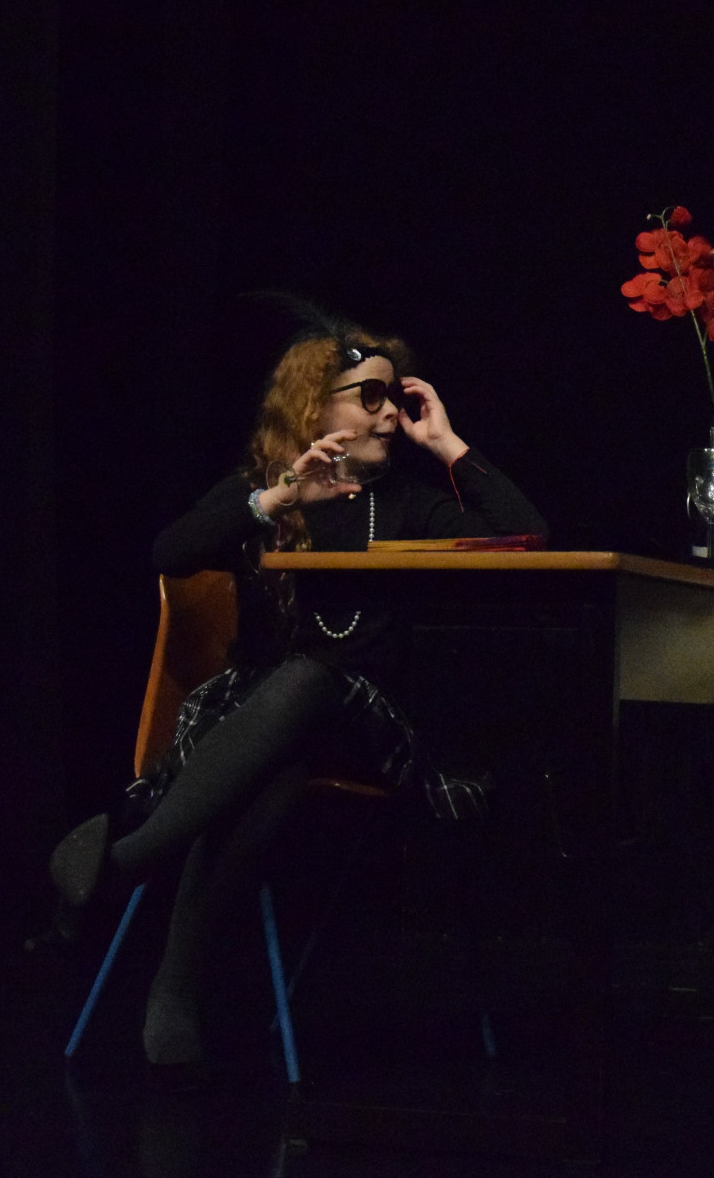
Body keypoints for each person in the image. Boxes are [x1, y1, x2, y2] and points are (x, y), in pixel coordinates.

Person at [37, 307, 548, 1082]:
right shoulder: (271, 488)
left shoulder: (407, 504)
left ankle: (131, 857)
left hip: (370, 724)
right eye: (369, 396)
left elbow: (528, 537)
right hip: (259, 722)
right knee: (278, 763)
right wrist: (273, 500)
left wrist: (448, 445)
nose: (389, 412)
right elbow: (171, 551)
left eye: (394, 395)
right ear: (315, 408)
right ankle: (173, 991)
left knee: (309, 680)